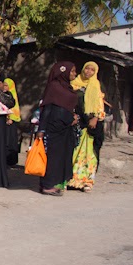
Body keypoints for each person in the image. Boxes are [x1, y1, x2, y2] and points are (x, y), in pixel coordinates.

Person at [37, 62, 79, 196]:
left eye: (74, 71)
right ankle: (47, 185)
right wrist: (41, 129)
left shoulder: (68, 87)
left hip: (65, 128)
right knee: (53, 157)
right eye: (72, 71)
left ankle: (56, 183)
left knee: (62, 156)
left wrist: (72, 117)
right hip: (54, 128)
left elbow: (67, 108)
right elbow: (47, 108)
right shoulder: (54, 87)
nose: (74, 74)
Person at [67, 61, 106, 192]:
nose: (88, 72)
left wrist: (96, 118)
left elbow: (100, 105)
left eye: (92, 70)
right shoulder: (74, 84)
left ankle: (88, 181)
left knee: (90, 154)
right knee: (75, 152)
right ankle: (73, 180)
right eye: (87, 69)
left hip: (91, 125)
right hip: (78, 123)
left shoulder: (97, 86)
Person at [3, 78, 21, 167]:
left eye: (6, 85)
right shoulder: (3, 95)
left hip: (11, 121)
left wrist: (11, 118)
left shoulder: (12, 95)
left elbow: (14, 109)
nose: (4, 87)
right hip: (4, 121)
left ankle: (11, 161)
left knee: (10, 141)